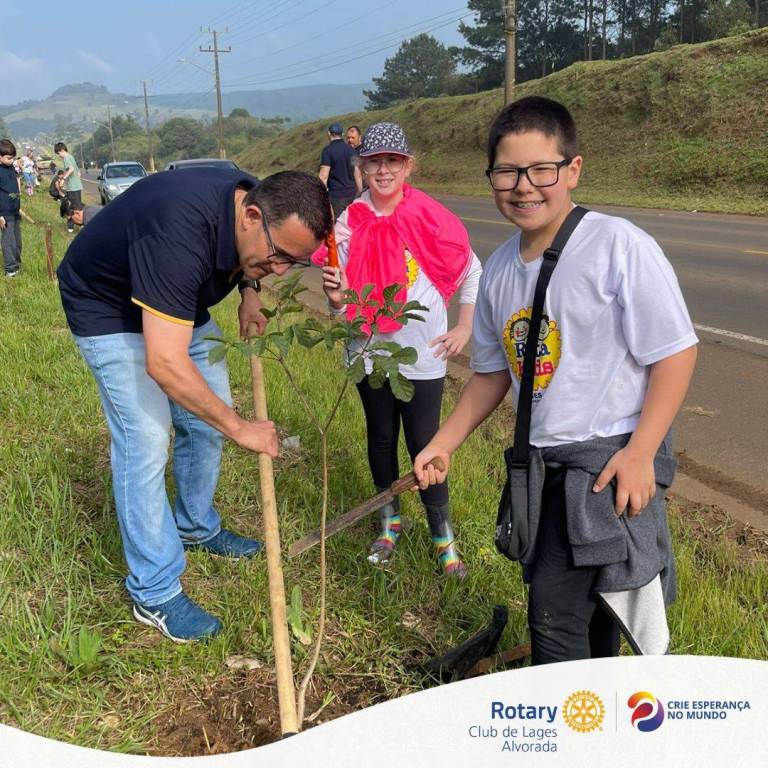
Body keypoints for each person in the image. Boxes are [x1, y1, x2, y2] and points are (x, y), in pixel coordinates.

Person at [414, 96, 698, 663]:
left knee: (554, 619)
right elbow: (492, 374)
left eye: (541, 169)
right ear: (491, 176)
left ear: (572, 169)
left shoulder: (617, 245)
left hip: (605, 465)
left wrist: (641, 453)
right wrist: (443, 443)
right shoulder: (499, 269)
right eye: (507, 172)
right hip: (543, 467)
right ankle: (600, 707)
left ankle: (564, 714)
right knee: (594, 614)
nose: (524, 187)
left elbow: (675, 352)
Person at [57, 168, 333, 642]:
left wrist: (250, 292)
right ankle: (154, 590)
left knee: (207, 416)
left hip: (174, 298)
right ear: (250, 216)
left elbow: (252, 258)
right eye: (279, 257)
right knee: (146, 439)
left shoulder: (259, 195)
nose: (282, 271)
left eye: (294, 262)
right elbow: (164, 363)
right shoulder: (176, 231)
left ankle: (196, 526)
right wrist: (240, 427)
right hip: (107, 304)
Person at [321, 122, 482, 578]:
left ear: (408, 166)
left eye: (393, 161)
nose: (384, 170)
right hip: (368, 352)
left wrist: (465, 325)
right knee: (380, 437)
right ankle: (389, 523)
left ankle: (442, 537)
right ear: (362, 167)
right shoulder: (349, 222)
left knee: (425, 445)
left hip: (423, 355)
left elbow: (472, 270)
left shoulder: (430, 215)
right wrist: (336, 301)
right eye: (375, 162)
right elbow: (340, 302)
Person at [319, 122, 362, 218]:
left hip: (336, 197)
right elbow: (358, 173)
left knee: (339, 224)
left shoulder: (327, 151)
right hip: (353, 194)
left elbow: (323, 176)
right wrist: (360, 192)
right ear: (342, 134)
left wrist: (320, 196)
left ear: (329, 134)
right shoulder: (352, 150)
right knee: (353, 221)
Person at [0, 139, 22, 278]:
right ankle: (10, 270)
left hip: (15, 210)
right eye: (8, 158)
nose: (11, 160)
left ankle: (17, 265)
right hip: (4, 212)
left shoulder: (11, 167)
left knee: (17, 241)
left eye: (13, 157)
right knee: (9, 242)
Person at [54, 141, 82, 233]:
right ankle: (78, 225)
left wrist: (63, 179)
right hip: (76, 186)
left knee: (71, 207)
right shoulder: (71, 157)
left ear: (62, 150)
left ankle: (72, 227)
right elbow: (78, 173)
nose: (59, 156)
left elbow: (71, 169)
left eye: (58, 153)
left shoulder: (66, 158)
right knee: (76, 207)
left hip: (73, 188)